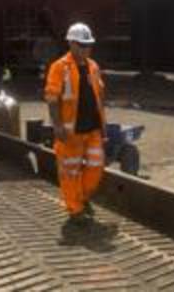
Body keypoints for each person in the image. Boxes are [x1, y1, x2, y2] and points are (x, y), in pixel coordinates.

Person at [44, 22, 106, 226]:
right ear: (71, 43)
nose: (85, 49)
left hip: (93, 128)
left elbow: (99, 95)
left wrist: (103, 122)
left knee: (96, 167)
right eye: (81, 45)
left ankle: (82, 197)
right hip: (71, 132)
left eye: (88, 45)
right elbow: (52, 98)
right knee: (70, 172)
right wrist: (57, 126)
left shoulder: (93, 66)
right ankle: (75, 210)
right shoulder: (59, 67)